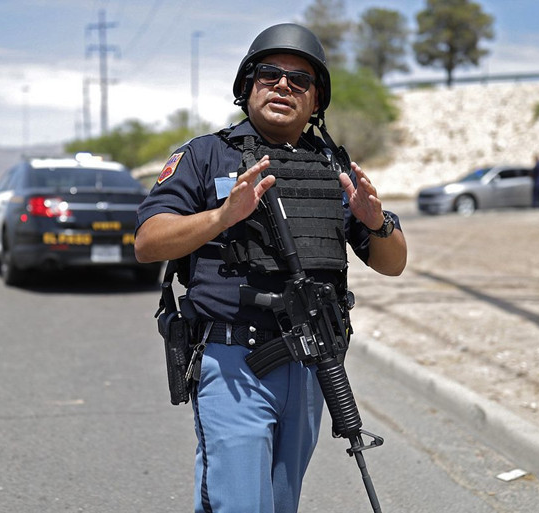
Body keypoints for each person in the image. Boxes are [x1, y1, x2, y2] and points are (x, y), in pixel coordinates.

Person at [135, 23, 407, 513]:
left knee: (282, 504)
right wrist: (222, 216)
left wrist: (377, 222)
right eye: (270, 73)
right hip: (233, 361)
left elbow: (393, 263)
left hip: (310, 365)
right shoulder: (205, 154)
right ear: (247, 85)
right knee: (237, 503)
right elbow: (148, 242)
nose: (284, 85)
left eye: (300, 80)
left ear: (316, 100)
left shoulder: (332, 165)